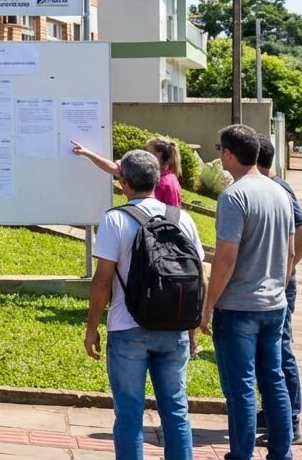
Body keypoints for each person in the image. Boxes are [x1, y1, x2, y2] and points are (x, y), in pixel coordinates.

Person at [84, 150, 204, 460]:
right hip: (174, 328)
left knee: (129, 413)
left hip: (128, 327)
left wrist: (92, 327)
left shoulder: (115, 220)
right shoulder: (182, 218)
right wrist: (192, 328)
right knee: (176, 411)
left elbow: (102, 281)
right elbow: (194, 279)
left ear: (122, 180)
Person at [201, 124, 295, 460]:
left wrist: (208, 305)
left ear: (228, 154)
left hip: (238, 306)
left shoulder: (234, 195)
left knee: (240, 388)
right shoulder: (280, 193)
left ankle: (241, 454)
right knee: (274, 383)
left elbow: (226, 257)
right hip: (274, 304)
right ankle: (281, 453)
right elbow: (290, 250)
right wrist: (279, 288)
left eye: (220, 151)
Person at [256, 136, 302, 446]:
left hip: (280, 285)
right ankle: (272, 413)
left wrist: (287, 270)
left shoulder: (278, 188)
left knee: (281, 352)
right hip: (274, 283)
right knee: (271, 352)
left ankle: (291, 422)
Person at [71, 137, 184, 207]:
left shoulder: (167, 183)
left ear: (159, 155)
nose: (144, 154)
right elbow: (113, 167)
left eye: (149, 152)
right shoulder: (150, 171)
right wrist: (86, 152)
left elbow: (173, 216)